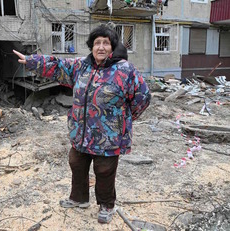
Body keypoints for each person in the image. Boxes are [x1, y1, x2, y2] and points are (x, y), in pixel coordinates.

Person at [13, 23, 151, 224]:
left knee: (104, 170)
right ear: (91, 46)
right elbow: (57, 66)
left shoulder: (125, 70)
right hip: (81, 132)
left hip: (108, 136)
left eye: (106, 43)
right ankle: (79, 199)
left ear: (112, 47)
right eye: (97, 43)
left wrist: (125, 119)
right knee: (76, 163)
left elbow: (143, 96)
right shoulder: (81, 66)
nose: (101, 47)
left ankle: (106, 205)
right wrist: (32, 61)